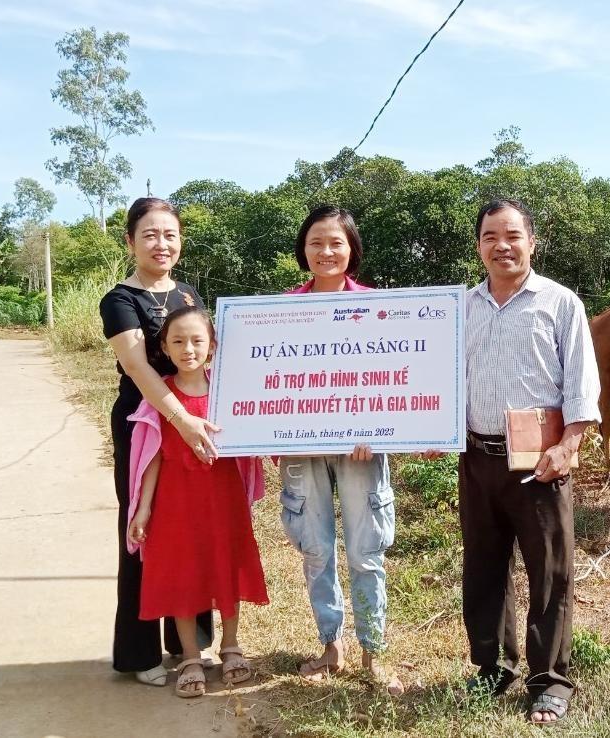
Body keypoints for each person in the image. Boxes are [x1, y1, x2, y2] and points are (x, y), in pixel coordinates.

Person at [462, 198, 600, 724]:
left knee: (549, 572)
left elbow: (581, 384)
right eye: (490, 236)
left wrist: (569, 445)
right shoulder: (463, 307)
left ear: (531, 243)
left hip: (540, 461)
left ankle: (550, 680)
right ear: (479, 246)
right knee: (483, 566)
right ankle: (493, 667)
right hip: (476, 456)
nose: (502, 246)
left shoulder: (560, 303)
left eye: (512, 235)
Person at [278, 204, 403, 695]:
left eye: (336, 243)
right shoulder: (277, 312)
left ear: (352, 250)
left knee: (366, 552)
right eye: (316, 243)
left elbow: (396, 376)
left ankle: (374, 651)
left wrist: (379, 430)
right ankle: (331, 645)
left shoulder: (378, 308)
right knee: (315, 550)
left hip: (360, 451)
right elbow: (265, 378)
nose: (326, 252)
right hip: (300, 451)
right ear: (303, 250)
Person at [99, 198, 219, 686]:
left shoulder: (188, 294)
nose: (161, 244)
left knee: (191, 528)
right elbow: (138, 368)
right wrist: (181, 420)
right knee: (143, 529)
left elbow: (207, 354)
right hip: (145, 426)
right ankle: (139, 650)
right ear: (131, 241)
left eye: (170, 234)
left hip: (192, 422)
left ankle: (190, 644)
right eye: (150, 234)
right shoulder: (119, 300)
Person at [127, 306, 268, 698]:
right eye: (178, 341)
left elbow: (257, 430)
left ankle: (231, 646)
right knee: (182, 573)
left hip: (224, 498)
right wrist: (143, 508)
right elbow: (153, 455)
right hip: (175, 502)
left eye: (196, 340)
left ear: (213, 346)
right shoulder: (161, 396)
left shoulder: (229, 390)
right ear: (164, 348)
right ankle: (190, 657)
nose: (188, 349)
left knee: (227, 564)